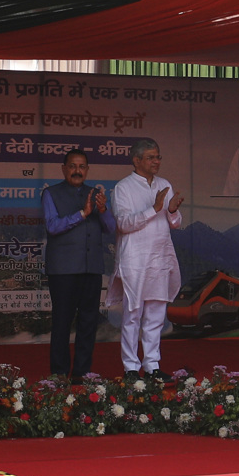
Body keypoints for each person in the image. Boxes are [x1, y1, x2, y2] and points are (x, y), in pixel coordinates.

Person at [108, 138, 184, 383]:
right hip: (134, 260)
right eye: (151, 157)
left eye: (158, 157)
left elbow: (175, 223)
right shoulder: (123, 188)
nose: (156, 161)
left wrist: (171, 210)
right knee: (133, 314)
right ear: (136, 160)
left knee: (156, 315)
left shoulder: (164, 184)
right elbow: (123, 224)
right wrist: (155, 208)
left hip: (159, 258)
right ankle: (131, 367)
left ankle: (152, 366)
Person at [42, 149, 116, 382]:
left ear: (87, 170)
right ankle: (60, 373)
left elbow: (111, 228)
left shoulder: (96, 194)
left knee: (88, 322)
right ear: (64, 169)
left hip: (91, 268)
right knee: (62, 322)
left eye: (82, 166)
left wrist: (102, 210)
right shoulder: (50, 194)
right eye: (73, 166)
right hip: (63, 270)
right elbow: (53, 227)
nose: (77, 171)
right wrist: (83, 213)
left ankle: (82, 373)